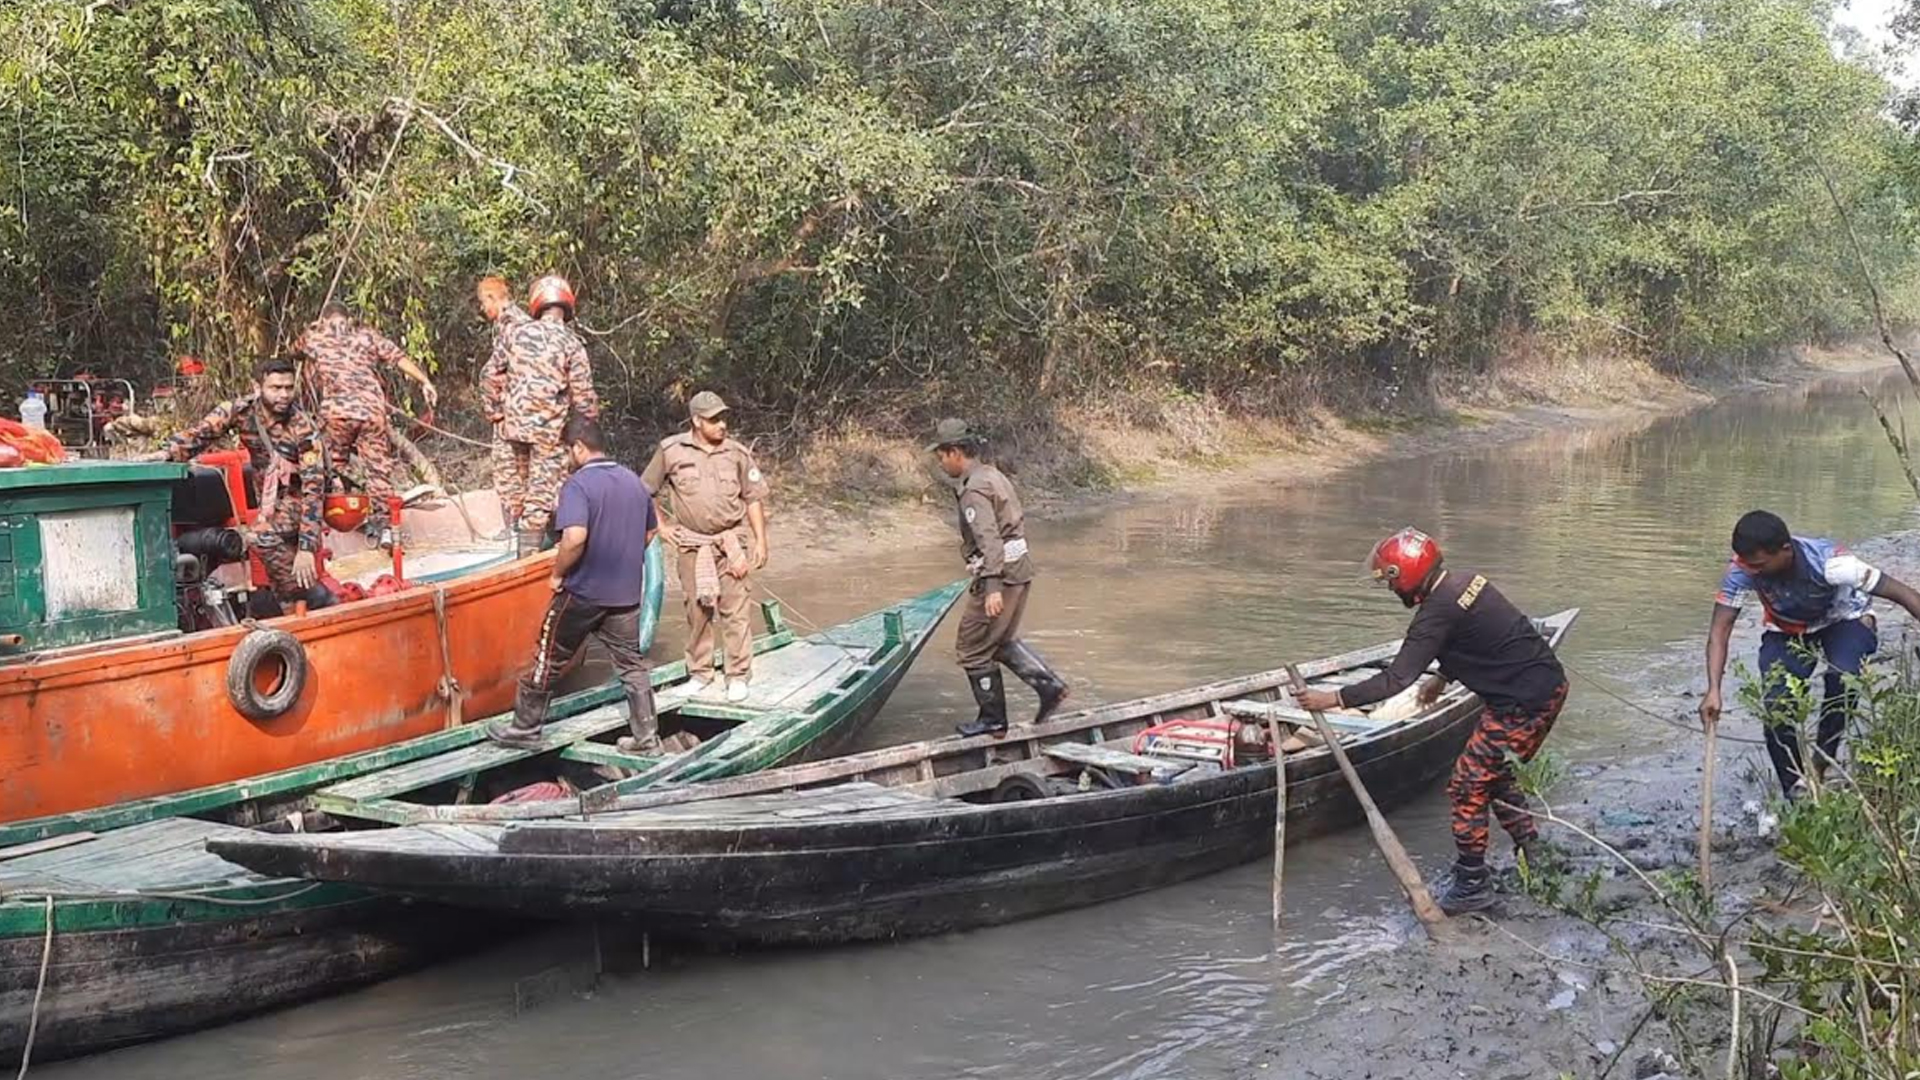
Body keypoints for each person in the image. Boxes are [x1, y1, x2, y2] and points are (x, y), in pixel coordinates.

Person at [1296, 528, 1568, 915]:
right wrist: (1443, 676)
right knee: (1495, 776)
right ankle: (1534, 852)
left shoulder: (1436, 613)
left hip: (1523, 705)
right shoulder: (1467, 583)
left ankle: (1472, 884)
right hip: (1542, 687)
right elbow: (1485, 637)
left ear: (1405, 573)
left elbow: (1395, 680)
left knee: (1466, 787)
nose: (1392, 590)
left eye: (1391, 581)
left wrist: (1333, 698)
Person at [1700, 510, 1920, 798]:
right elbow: (1720, 630)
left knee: (1843, 676)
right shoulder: (1743, 570)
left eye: (1760, 565)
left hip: (1844, 619)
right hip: (1788, 627)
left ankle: (1820, 763)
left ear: (1785, 550)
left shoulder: (1832, 563)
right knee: (1777, 705)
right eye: (1748, 565)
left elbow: (1904, 594)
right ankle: (1796, 794)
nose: (1753, 571)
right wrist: (1713, 689)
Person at [487, 414, 660, 749]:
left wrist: (557, 573)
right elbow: (651, 532)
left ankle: (525, 730)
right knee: (632, 666)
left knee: (548, 655)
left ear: (579, 448)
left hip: (583, 593)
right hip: (625, 595)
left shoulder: (578, 485)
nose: (567, 458)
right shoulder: (633, 482)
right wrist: (624, 558)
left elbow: (575, 537)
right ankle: (647, 737)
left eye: (568, 450)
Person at [139, 357, 330, 610]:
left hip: (296, 499)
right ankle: (289, 604)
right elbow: (202, 432)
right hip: (267, 499)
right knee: (280, 564)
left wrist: (307, 546)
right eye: (276, 388)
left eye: (288, 387)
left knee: (260, 538)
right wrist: (168, 452)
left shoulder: (303, 429)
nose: (284, 395)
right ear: (257, 387)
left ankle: (315, 599)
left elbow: (313, 489)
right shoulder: (241, 411)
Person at [928, 418, 1069, 737]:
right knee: (999, 641)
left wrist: (991, 586)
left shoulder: (974, 489)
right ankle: (1049, 687)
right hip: (1018, 570)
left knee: (971, 647)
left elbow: (989, 540)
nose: (941, 463)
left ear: (955, 452)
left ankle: (993, 719)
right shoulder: (991, 475)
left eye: (942, 456)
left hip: (1001, 575)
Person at [641, 391, 768, 704]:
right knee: (697, 611)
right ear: (697, 421)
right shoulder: (671, 451)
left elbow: (753, 498)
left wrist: (760, 541)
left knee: (736, 611)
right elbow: (645, 490)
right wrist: (662, 527)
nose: (722, 424)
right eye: (714, 419)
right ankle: (700, 673)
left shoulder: (737, 454)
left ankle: (737, 675)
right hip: (693, 546)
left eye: (723, 418)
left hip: (731, 544)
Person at [292, 300, 437, 546]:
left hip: (338, 413)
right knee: (378, 469)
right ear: (348, 319)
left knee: (329, 464)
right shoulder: (367, 336)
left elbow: (293, 351)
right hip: (371, 413)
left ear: (325, 319)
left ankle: (333, 514)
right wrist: (425, 381)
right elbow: (398, 358)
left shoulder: (315, 337)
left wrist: (313, 328)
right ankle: (385, 527)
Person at [496, 275, 599, 555]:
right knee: (542, 499)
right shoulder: (572, 343)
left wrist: (497, 417)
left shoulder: (514, 334)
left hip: (511, 433)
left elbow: (489, 377)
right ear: (567, 306)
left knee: (518, 493)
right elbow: (584, 400)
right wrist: (584, 433)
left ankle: (517, 542)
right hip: (549, 436)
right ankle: (529, 559)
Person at [476, 276, 532, 535]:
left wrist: (494, 412)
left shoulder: (509, 323)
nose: (482, 308)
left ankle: (515, 526)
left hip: (511, 410)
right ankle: (528, 524)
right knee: (526, 467)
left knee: (507, 467)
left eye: (483, 302)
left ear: (492, 298)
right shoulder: (526, 321)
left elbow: (492, 372)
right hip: (532, 409)